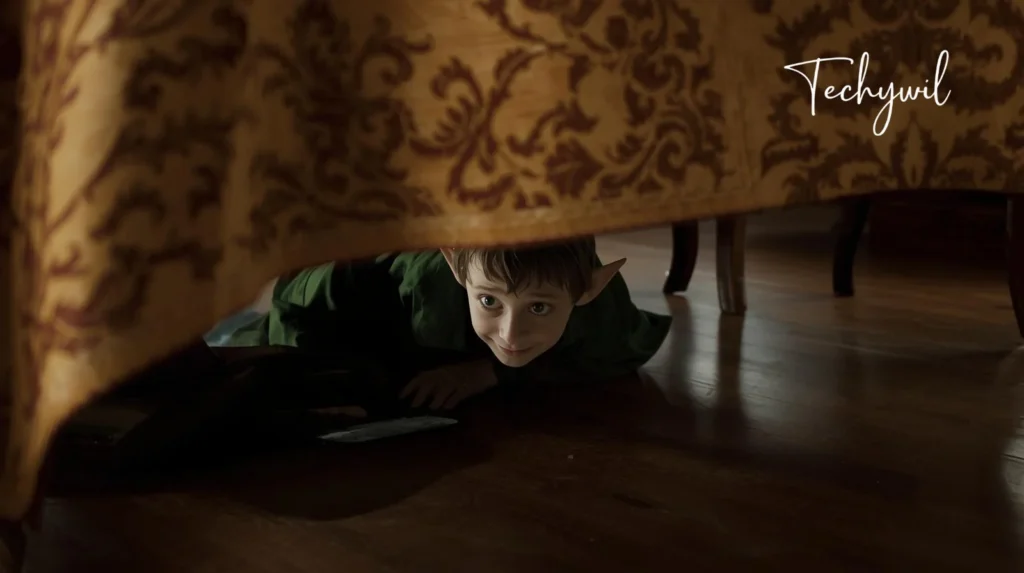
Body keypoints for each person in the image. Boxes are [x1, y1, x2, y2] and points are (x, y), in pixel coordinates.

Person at [220, 236, 672, 411]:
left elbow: (615, 352)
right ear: (457, 269)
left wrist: (489, 372)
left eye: (539, 308)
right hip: (359, 327)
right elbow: (297, 299)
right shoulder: (402, 271)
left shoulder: (602, 303)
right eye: (489, 300)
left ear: (588, 289)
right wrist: (317, 385)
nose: (511, 335)